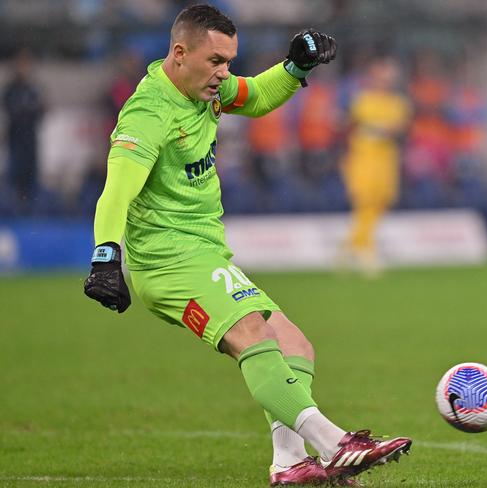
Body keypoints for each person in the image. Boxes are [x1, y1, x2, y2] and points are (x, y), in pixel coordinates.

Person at [82, 5, 411, 486]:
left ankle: (288, 463)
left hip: (205, 252)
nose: (224, 73)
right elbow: (117, 188)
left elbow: (255, 96)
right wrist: (106, 254)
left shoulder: (204, 89)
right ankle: (336, 443)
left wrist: (295, 65)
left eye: (229, 61)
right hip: (169, 261)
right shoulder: (148, 111)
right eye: (216, 60)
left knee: (297, 345)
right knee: (254, 336)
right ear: (180, 52)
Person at [340, 56, 411, 276]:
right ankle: (365, 250)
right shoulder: (363, 100)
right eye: (381, 76)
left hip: (386, 160)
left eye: (388, 77)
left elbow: (398, 129)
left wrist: (379, 129)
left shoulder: (398, 103)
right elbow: (351, 124)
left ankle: (349, 250)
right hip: (364, 159)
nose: (385, 81)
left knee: (381, 202)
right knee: (365, 202)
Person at [2, 47, 45, 214]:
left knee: (31, 180)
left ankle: (30, 214)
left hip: (31, 141)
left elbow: (41, 110)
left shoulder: (35, 88)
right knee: (14, 180)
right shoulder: (11, 89)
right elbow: (12, 110)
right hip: (15, 141)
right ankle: (14, 213)